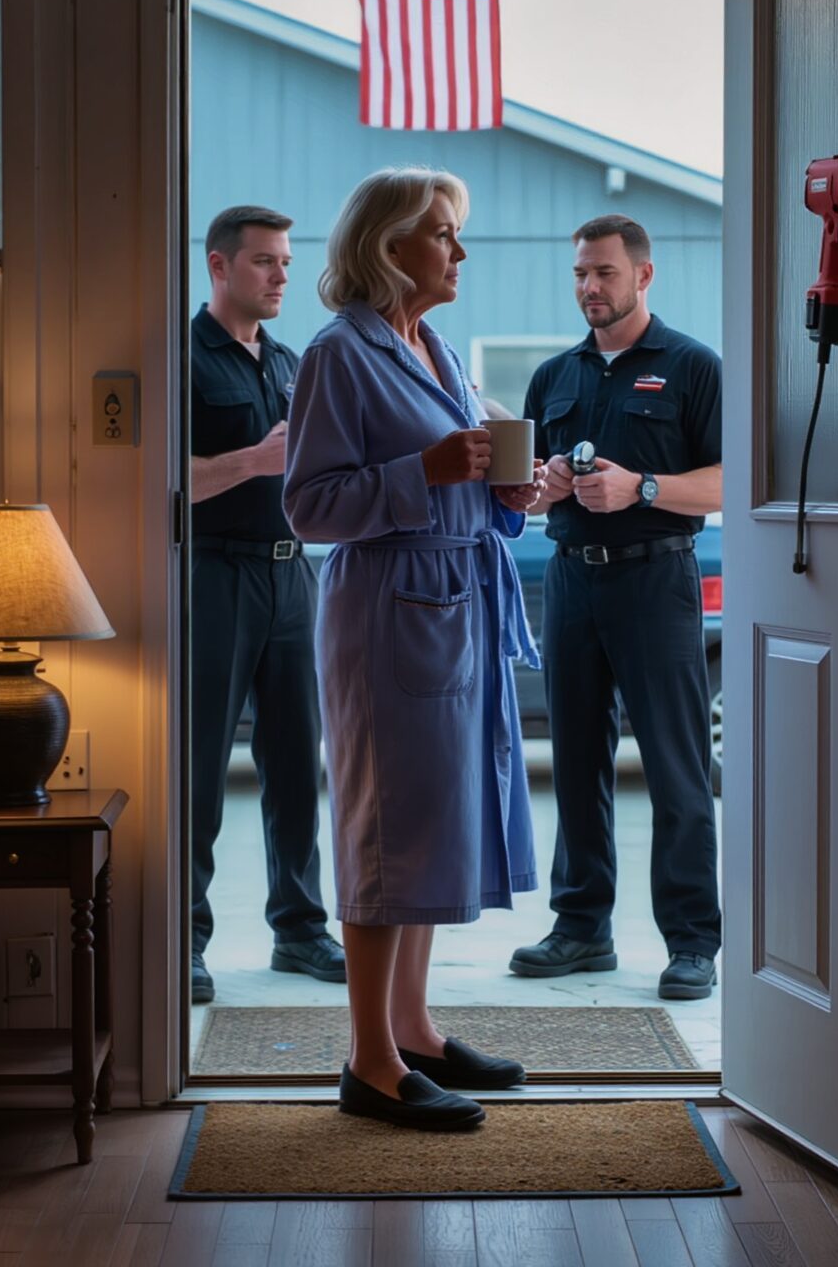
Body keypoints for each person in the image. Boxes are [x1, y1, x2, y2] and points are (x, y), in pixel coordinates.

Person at [283, 167, 545, 1131]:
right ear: (391, 248)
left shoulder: (433, 345)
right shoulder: (335, 356)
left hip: (456, 599)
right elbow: (310, 507)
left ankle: (418, 1029)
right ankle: (370, 1061)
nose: (460, 252)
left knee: (438, 816)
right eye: (443, 235)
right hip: (387, 616)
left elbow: (455, 477)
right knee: (386, 827)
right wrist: (422, 471)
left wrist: (506, 493)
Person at [511, 214, 723, 1001]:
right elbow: (523, 489)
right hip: (571, 579)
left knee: (675, 766)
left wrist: (645, 488)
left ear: (643, 275)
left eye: (603, 273)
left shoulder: (694, 366)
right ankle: (580, 929)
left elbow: (734, 481)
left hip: (655, 579)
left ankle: (694, 940)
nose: (590, 289)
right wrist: (544, 488)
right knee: (576, 760)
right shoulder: (554, 376)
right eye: (579, 275)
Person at [188, 204, 343, 1007]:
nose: (283, 275)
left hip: (293, 577)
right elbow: (163, 485)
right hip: (213, 576)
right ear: (219, 266)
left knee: (295, 761)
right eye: (265, 263)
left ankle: (301, 929)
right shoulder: (183, 355)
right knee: (201, 763)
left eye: (286, 262)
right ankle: (185, 938)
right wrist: (252, 460)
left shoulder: (290, 362)